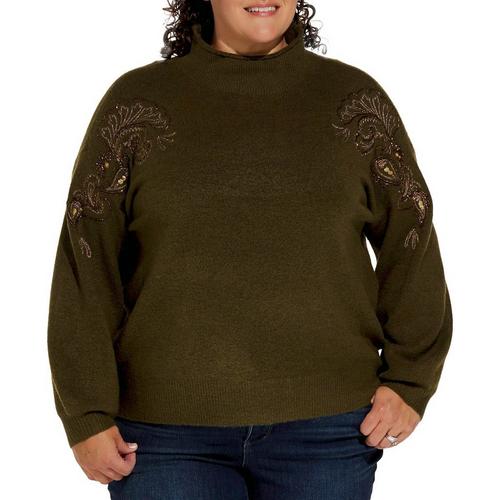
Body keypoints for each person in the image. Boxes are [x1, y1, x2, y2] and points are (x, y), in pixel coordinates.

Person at [46, 0, 453, 498]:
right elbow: (87, 261)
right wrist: (86, 411)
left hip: (327, 430)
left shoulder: (354, 102)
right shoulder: (136, 107)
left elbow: (411, 238)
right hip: (164, 435)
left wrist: (410, 379)